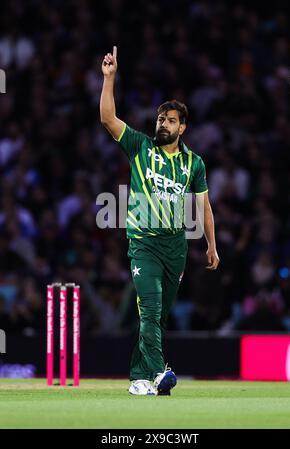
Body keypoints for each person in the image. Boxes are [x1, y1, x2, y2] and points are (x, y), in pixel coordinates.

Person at [100, 46, 220, 396]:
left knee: (157, 317)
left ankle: (139, 377)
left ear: (182, 127)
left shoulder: (194, 163)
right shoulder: (140, 146)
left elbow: (205, 207)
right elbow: (108, 118)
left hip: (176, 246)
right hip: (144, 243)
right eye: (160, 119)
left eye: (170, 120)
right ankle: (159, 373)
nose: (162, 124)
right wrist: (109, 79)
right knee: (149, 309)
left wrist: (212, 245)